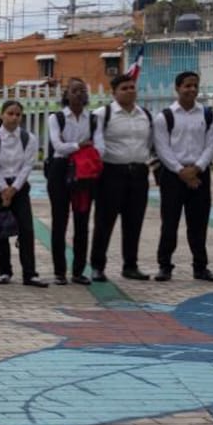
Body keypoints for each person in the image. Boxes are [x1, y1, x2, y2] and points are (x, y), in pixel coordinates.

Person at [152, 71, 213, 282]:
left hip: (200, 174)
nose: (191, 89)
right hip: (173, 176)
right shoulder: (165, 116)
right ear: (177, 88)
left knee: (199, 224)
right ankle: (165, 266)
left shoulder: (208, 115)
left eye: (195, 85)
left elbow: (212, 145)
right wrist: (180, 170)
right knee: (170, 223)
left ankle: (200, 267)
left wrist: (197, 168)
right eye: (187, 86)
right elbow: (162, 148)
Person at [90, 73, 154, 283]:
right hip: (111, 174)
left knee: (134, 222)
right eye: (124, 88)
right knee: (104, 222)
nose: (129, 91)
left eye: (132, 87)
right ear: (114, 92)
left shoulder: (145, 114)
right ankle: (98, 266)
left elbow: (152, 144)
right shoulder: (102, 114)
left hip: (138, 174)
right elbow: (93, 144)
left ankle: (130, 265)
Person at [0, 100, 47, 287]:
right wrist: (3, 189)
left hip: (19, 188)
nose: (14, 117)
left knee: (26, 229)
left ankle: (30, 273)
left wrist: (14, 189)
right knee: (0, 229)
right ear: (1, 115)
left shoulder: (29, 139)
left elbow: (28, 165)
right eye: (10, 113)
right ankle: (4, 271)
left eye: (18, 114)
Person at [45, 78, 96, 285]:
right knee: (60, 221)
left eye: (82, 90)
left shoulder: (92, 119)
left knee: (82, 222)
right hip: (60, 170)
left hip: (83, 173)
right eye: (74, 90)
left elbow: (98, 145)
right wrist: (81, 145)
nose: (78, 94)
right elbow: (58, 146)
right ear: (66, 94)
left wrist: (75, 146)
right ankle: (59, 271)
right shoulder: (56, 118)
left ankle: (78, 271)